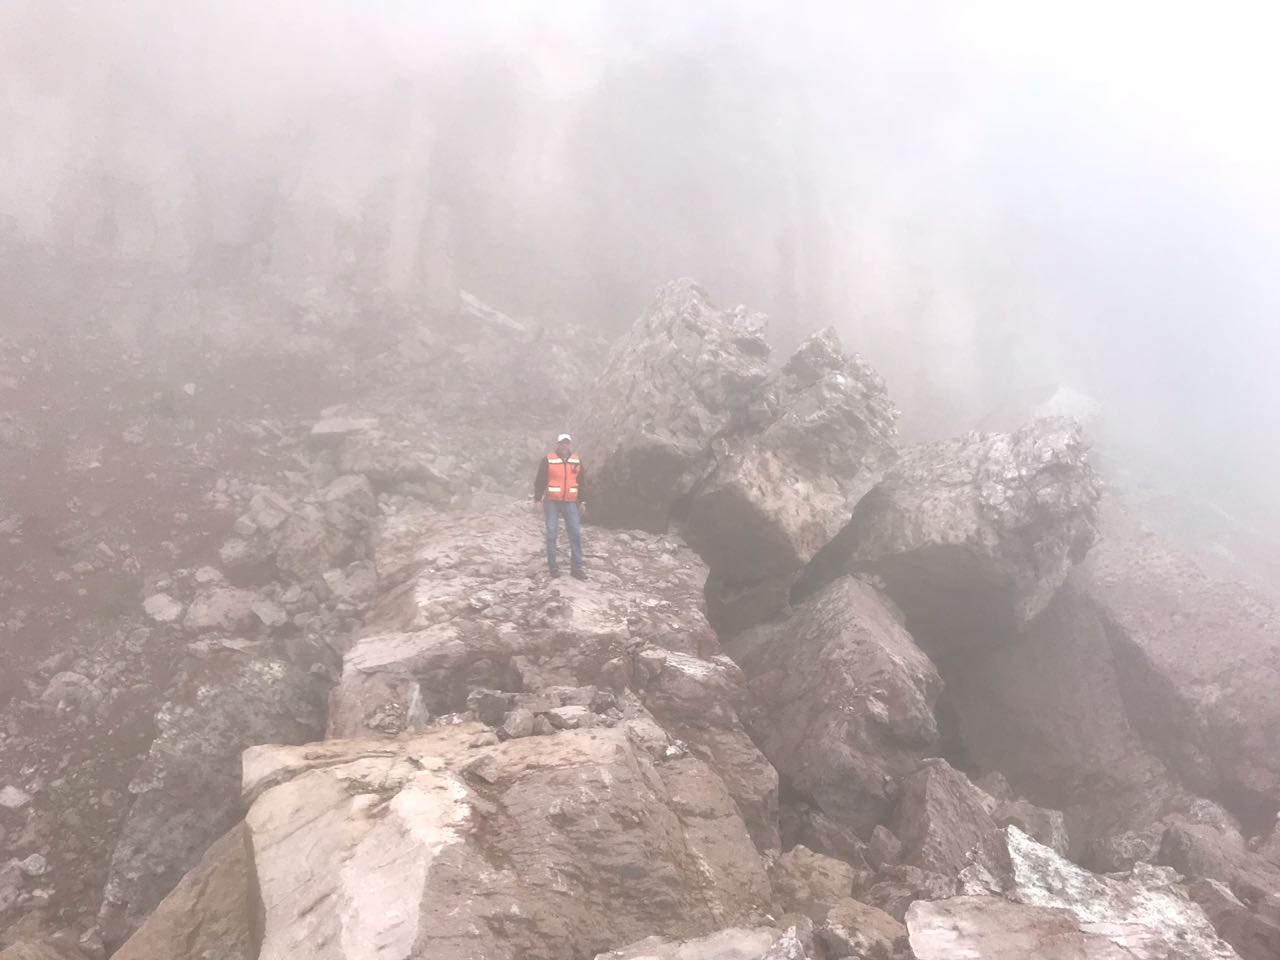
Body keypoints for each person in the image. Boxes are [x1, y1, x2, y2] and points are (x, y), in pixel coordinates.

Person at [533, 433, 588, 579]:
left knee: (575, 534)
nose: (564, 445)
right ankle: (553, 569)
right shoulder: (548, 460)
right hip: (552, 502)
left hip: (570, 503)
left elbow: (582, 482)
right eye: (562, 443)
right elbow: (540, 480)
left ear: (570, 444)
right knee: (551, 534)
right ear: (557, 444)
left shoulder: (576, 460)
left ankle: (576, 569)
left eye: (567, 443)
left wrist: (583, 501)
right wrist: (537, 500)